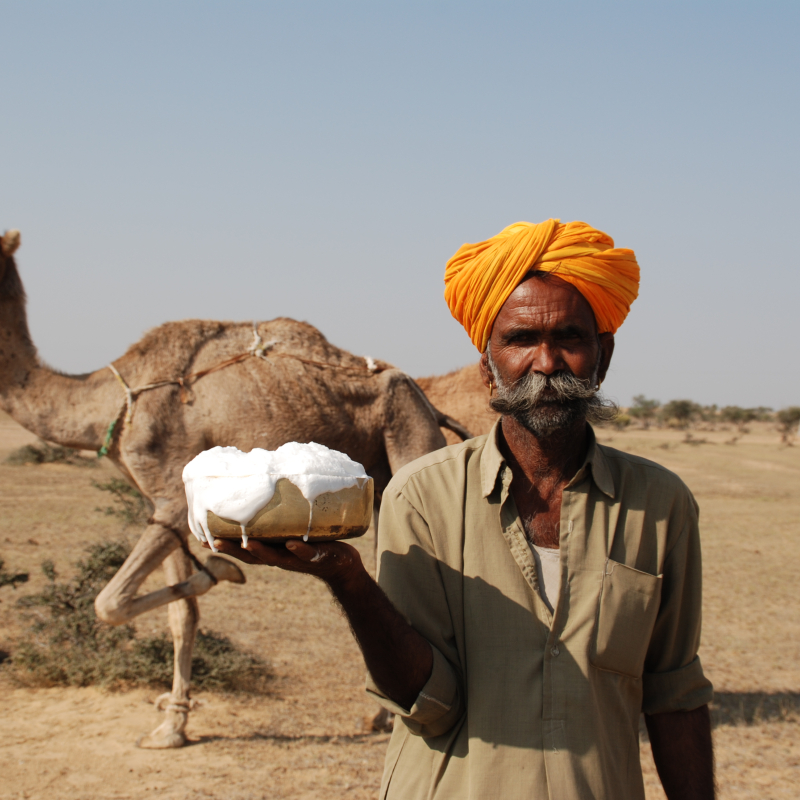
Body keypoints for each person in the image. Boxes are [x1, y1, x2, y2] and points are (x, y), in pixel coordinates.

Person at [208, 219, 715, 800]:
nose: (546, 363)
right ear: (486, 363)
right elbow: (427, 700)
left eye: (570, 338)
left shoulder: (660, 505)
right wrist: (350, 581)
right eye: (521, 340)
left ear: (602, 355)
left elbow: (675, 694)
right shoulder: (421, 495)